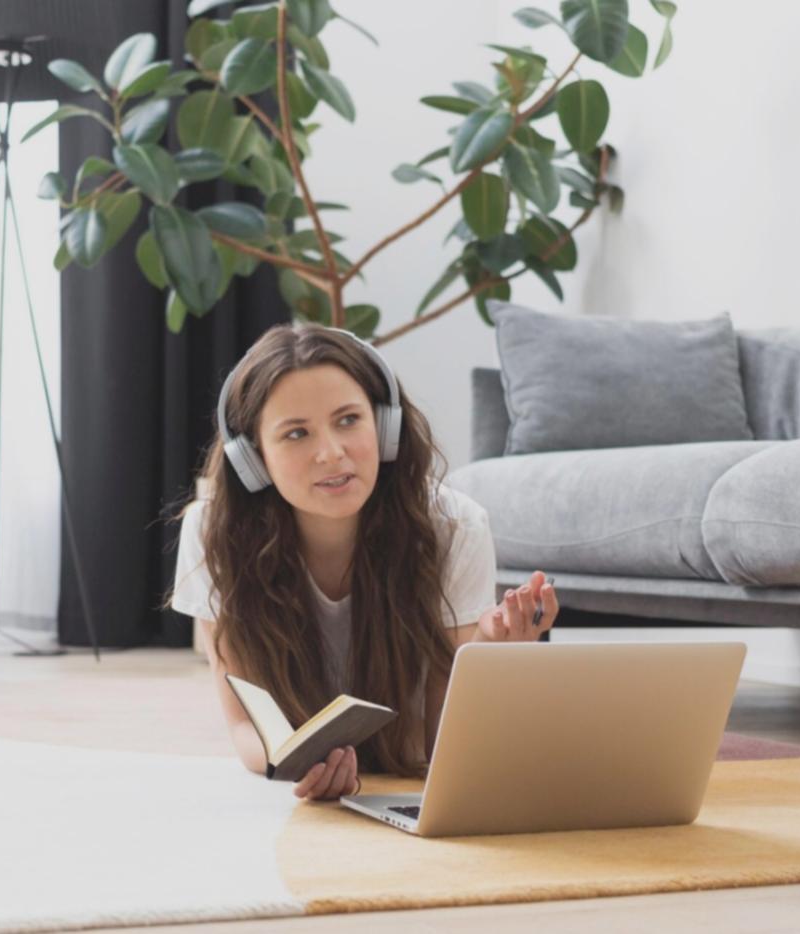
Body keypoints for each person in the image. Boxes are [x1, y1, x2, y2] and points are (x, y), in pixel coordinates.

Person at [165, 323, 557, 802]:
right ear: (253, 459)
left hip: (408, 767)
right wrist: (293, 762)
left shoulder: (455, 527)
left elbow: (443, 745)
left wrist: (490, 651)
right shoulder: (212, 532)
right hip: (299, 770)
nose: (331, 453)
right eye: (296, 433)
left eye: (348, 420)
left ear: (385, 428)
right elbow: (247, 723)